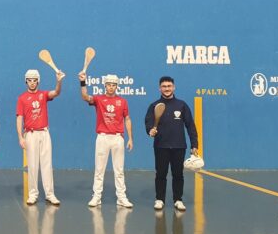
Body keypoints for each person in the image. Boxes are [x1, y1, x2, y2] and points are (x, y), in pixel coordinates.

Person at [79, 73, 134, 208]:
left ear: (116, 86)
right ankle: (96, 197)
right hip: (102, 137)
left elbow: (127, 119)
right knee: (99, 169)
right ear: (105, 86)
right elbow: (85, 97)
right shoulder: (98, 99)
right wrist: (83, 82)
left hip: (117, 138)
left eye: (113, 85)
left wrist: (130, 138)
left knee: (119, 170)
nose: (111, 87)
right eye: (109, 85)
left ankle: (121, 197)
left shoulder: (122, 101)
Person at [144, 76, 199, 211]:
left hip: (179, 146)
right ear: (160, 88)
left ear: (173, 87)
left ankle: (178, 200)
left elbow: (190, 126)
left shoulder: (182, 105)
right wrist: (150, 130)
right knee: (161, 174)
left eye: (169, 86)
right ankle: (159, 199)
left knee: (178, 174)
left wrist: (194, 145)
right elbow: (149, 122)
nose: (167, 88)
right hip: (161, 146)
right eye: (164, 86)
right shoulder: (154, 105)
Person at [16, 69, 64, 205]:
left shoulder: (43, 95)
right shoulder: (22, 98)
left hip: (44, 133)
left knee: (47, 164)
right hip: (30, 134)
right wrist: (20, 137)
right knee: (32, 165)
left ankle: (50, 194)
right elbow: (19, 118)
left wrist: (59, 81)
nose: (32, 83)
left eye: (34, 80)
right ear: (26, 82)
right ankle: (33, 194)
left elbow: (56, 92)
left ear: (38, 81)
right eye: (29, 80)